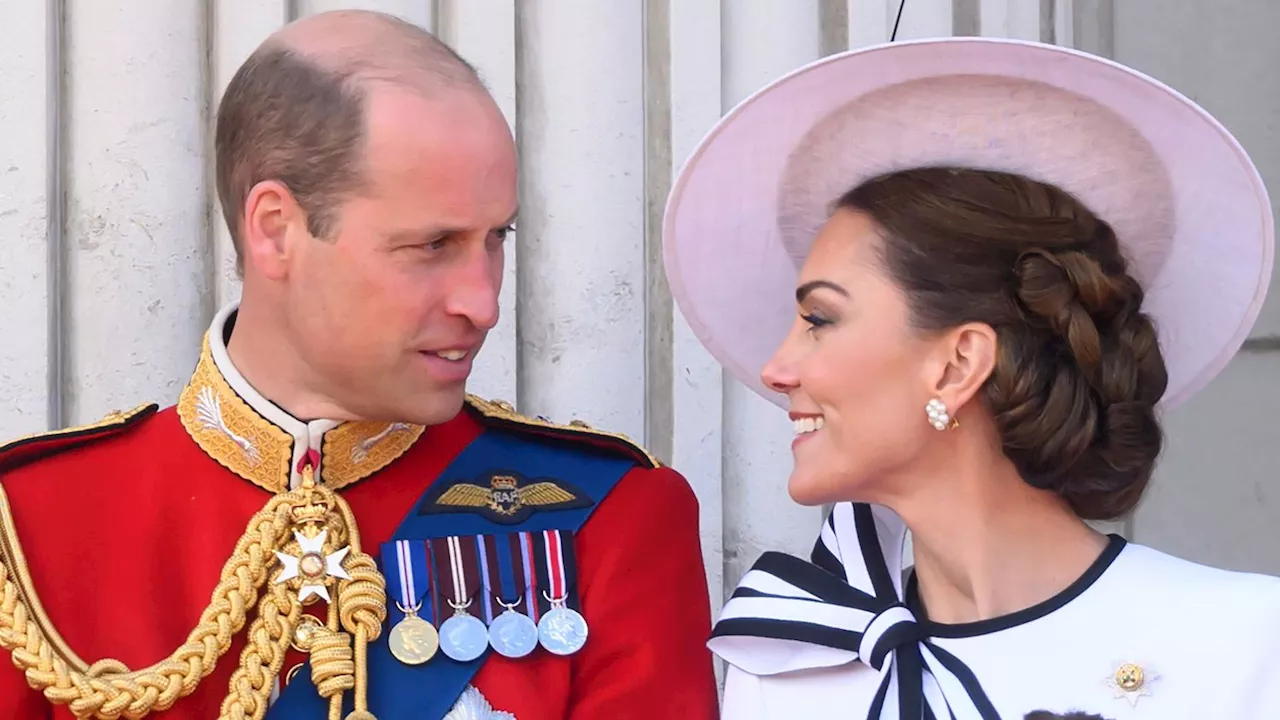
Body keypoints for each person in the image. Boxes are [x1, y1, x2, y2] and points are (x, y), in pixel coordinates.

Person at [0, 10, 719, 720]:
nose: (484, 302)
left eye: (495, 238)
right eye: (433, 245)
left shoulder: (608, 517)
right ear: (276, 230)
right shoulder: (31, 527)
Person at [662, 36, 1280, 719]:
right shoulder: (785, 673)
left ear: (958, 364)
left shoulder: (1245, 647)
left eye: (819, 318)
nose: (776, 370)